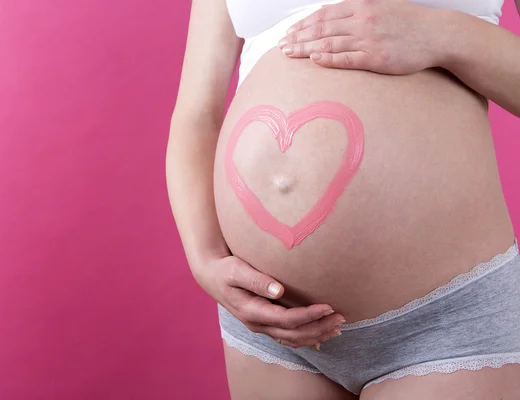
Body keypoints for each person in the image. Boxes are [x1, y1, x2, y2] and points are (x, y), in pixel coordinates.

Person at [166, 0, 520, 398]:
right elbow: (196, 112)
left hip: (444, 323)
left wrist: (447, 35)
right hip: (272, 326)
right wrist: (204, 259)